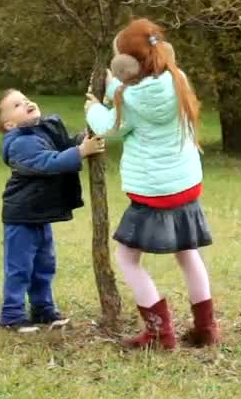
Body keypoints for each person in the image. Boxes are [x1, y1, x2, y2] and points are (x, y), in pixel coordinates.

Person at [86, 18, 220, 349]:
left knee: (127, 259)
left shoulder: (131, 101)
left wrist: (94, 108)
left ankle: (159, 333)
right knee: (188, 254)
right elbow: (135, 93)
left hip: (152, 194)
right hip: (186, 187)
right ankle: (206, 328)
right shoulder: (177, 79)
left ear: (126, 65)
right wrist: (116, 89)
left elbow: (109, 127)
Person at [0, 88, 105, 332]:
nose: (27, 103)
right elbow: (48, 162)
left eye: (25, 99)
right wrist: (81, 152)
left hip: (40, 214)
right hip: (21, 216)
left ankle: (43, 310)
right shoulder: (19, 143)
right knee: (20, 268)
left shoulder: (42, 130)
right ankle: (11, 315)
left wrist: (83, 139)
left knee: (44, 265)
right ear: (10, 125)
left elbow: (63, 146)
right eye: (17, 105)